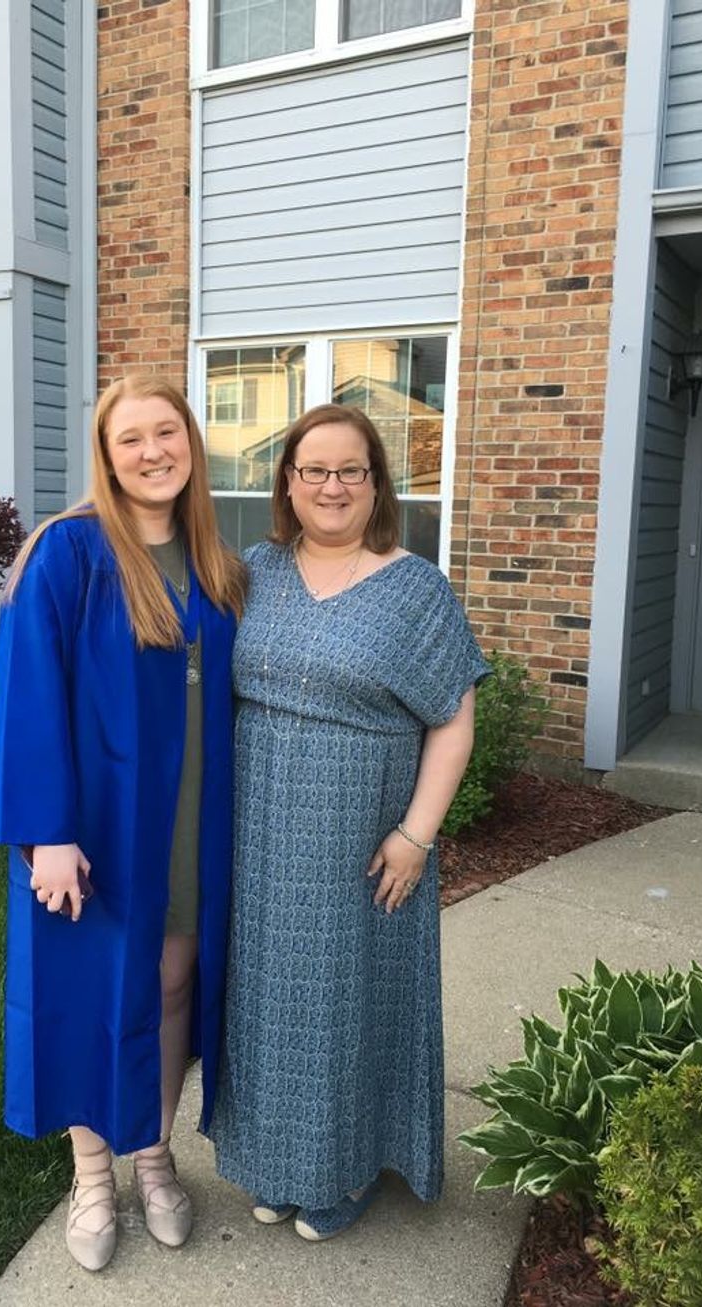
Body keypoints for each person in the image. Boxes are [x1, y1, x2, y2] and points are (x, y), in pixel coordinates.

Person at [0, 376, 246, 1272]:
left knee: (171, 983)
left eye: (168, 431)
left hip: (190, 814)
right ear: (106, 453)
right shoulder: (68, 552)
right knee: (91, 989)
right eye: (132, 438)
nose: (153, 451)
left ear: (192, 442)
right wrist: (47, 832)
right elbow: (27, 695)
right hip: (93, 824)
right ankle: (93, 1175)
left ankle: (153, 1151)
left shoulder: (215, 563)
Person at [209, 403, 490, 1241]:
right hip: (258, 829)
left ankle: (349, 1167)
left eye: (350, 471)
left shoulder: (416, 588)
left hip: (364, 834)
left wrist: (416, 834)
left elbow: (453, 719)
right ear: (288, 482)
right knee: (265, 998)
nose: (331, 486)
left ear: (376, 484)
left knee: (346, 999)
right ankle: (276, 1160)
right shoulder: (255, 571)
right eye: (314, 470)